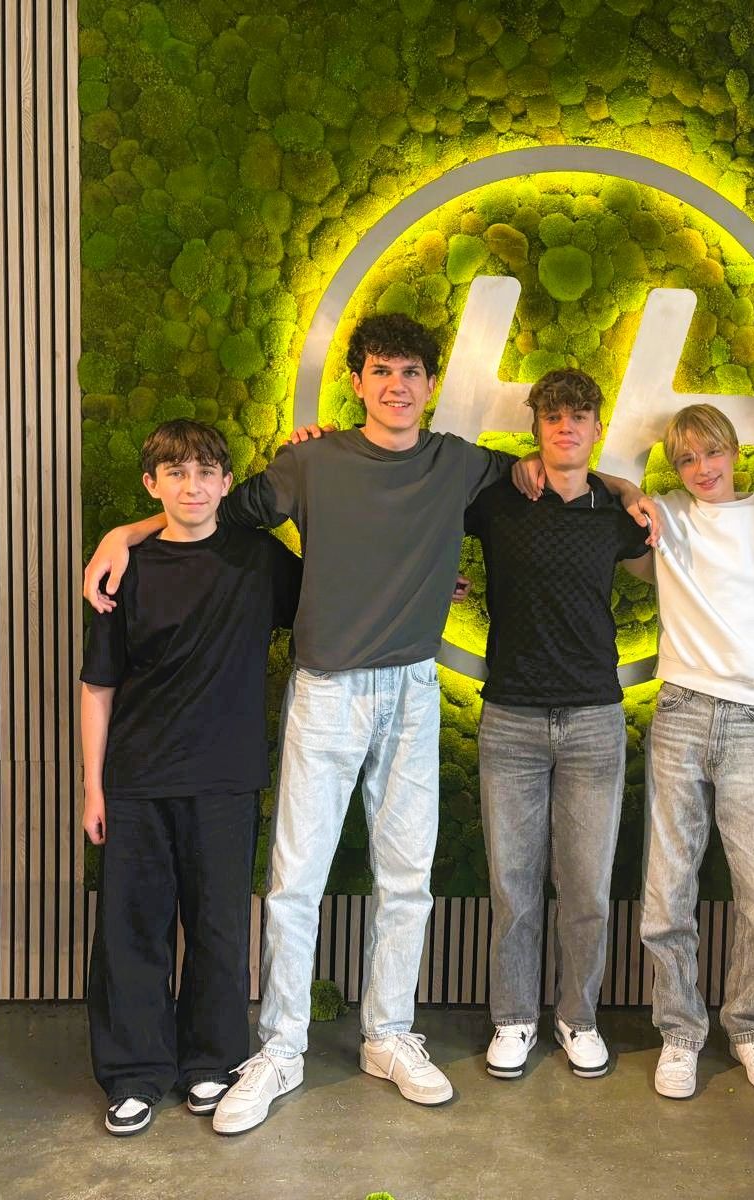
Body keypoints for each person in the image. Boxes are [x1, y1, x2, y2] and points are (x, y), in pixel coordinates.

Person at [82, 315, 650, 1133]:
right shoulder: (310, 463)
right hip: (327, 691)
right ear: (357, 382)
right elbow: (207, 513)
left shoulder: (461, 463)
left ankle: (387, 1033)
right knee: (296, 881)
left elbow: (561, 469)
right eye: (381, 370)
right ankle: (282, 1047)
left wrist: (628, 492)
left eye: (411, 372)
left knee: (407, 879)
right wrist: (125, 532)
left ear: (430, 383)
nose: (396, 385)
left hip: (413, 689)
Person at [80, 419, 301, 1136]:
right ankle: (134, 1073)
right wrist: (93, 787)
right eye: (176, 473)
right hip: (137, 780)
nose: (193, 486)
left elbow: (337, 595)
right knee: (132, 932)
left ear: (227, 482)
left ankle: (212, 1060)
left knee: (218, 928)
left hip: (225, 779)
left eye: (207, 472)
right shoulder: (125, 570)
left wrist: (426, 589)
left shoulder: (258, 560)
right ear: (153, 484)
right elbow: (98, 685)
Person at [465, 369, 651, 1082]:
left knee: (586, 889)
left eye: (578, 416)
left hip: (595, 719)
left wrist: (628, 489)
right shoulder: (497, 500)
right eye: (552, 416)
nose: (566, 426)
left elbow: (667, 568)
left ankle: (579, 1018)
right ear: (536, 427)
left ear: (597, 427)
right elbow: (418, 514)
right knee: (513, 886)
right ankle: (514, 1017)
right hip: (510, 717)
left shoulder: (618, 514)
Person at [628, 403, 754, 1100]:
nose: (702, 469)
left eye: (711, 453)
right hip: (680, 709)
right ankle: (679, 1033)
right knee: (667, 890)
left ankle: (752, 1028)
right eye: (686, 459)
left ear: (734, 451)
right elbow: (612, 486)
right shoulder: (667, 516)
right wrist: (636, 495)